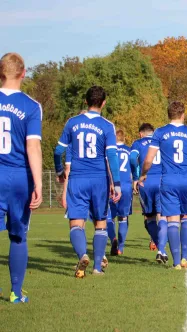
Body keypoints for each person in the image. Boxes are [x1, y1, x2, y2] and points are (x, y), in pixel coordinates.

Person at [54, 86, 122, 278]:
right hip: (99, 179)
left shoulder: (72, 122)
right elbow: (111, 156)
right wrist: (116, 184)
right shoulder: (107, 126)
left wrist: (60, 171)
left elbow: (58, 151)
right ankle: (97, 267)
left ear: (85, 101)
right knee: (100, 222)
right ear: (104, 102)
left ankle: (83, 254)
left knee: (76, 222)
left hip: (77, 178)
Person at [139, 101, 187, 269]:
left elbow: (148, 159)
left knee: (172, 220)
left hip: (168, 180)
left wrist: (143, 173)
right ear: (183, 114)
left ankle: (176, 262)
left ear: (168, 114)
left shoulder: (160, 132)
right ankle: (184, 258)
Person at [0, 52, 43, 303]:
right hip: (18, 177)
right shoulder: (30, 105)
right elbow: (33, 147)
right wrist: (38, 183)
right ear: (24, 73)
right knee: (18, 236)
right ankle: (16, 292)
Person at [131, 124, 163, 257]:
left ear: (141, 134)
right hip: (162, 181)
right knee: (162, 215)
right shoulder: (160, 141)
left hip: (146, 181)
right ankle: (163, 247)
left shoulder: (138, 143)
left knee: (149, 217)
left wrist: (135, 176)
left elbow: (132, 158)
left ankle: (160, 247)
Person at [108, 129, 136, 256]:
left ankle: (113, 238)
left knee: (109, 217)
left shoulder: (110, 150)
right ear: (124, 138)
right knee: (123, 217)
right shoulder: (129, 150)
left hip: (112, 186)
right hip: (126, 186)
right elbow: (135, 165)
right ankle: (121, 247)